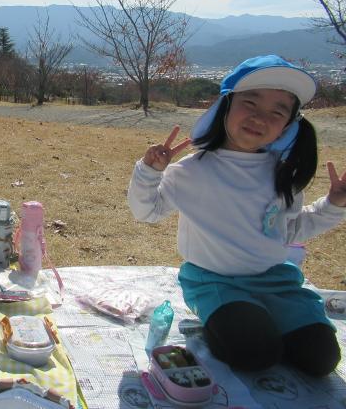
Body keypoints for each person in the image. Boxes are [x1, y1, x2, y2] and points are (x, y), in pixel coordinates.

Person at [128, 55, 346, 377]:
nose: (260, 117)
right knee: (254, 353)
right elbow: (146, 211)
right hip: (214, 282)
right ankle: (236, 323)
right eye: (250, 103)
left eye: (277, 112)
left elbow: (290, 230)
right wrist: (149, 172)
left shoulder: (283, 174)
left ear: (287, 126)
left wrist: (334, 204)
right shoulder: (193, 171)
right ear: (225, 106)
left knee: (321, 358)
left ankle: (265, 321)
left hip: (276, 282)